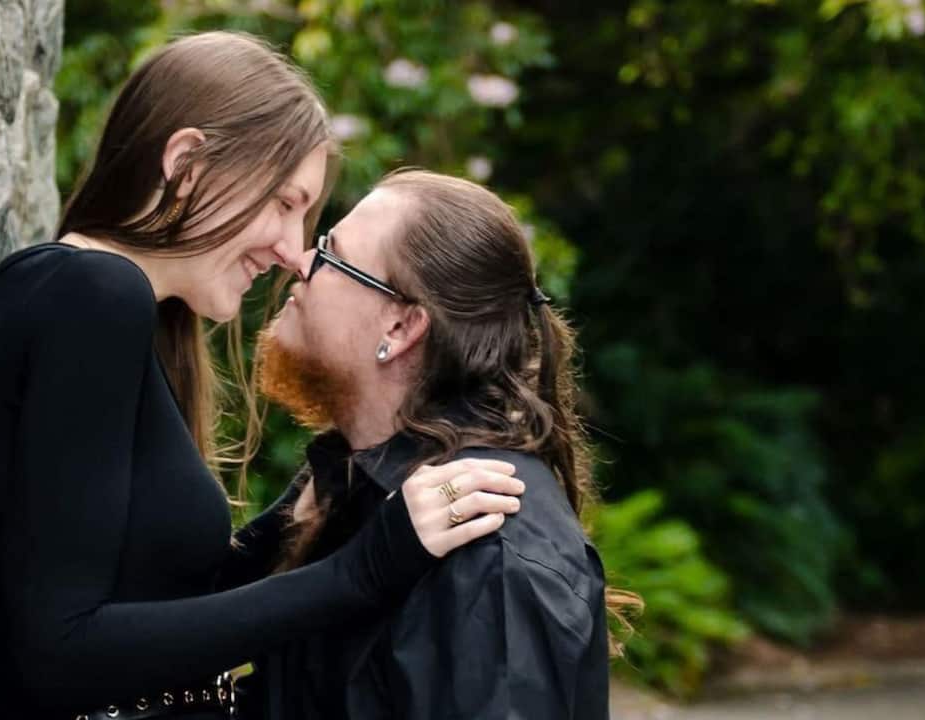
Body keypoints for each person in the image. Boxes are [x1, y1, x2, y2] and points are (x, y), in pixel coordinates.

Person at [0, 33, 524, 720]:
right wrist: (367, 568)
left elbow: (149, 607)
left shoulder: (107, 309)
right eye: (285, 203)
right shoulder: (92, 297)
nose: (293, 252)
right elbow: (59, 656)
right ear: (186, 163)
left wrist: (293, 517)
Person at [239, 169, 631, 719]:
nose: (300, 262)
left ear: (401, 327)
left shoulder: (484, 548)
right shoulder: (363, 487)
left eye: (331, 253)